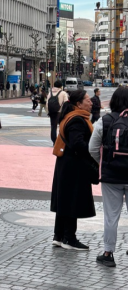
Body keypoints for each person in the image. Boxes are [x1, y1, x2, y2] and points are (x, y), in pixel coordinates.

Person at [51, 89, 96, 251]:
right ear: (79, 104)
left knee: (64, 199)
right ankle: (69, 238)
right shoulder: (77, 119)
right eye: (87, 100)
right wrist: (93, 152)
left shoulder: (70, 116)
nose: (91, 102)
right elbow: (78, 143)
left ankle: (59, 236)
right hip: (74, 166)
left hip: (66, 164)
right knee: (72, 200)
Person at [89, 87, 128, 267]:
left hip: (111, 176)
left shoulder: (104, 121)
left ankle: (108, 253)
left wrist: (103, 163)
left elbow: (92, 148)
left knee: (111, 216)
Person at [47, 80, 68, 145]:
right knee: (62, 126)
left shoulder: (50, 93)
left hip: (52, 112)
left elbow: (47, 103)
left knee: (53, 127)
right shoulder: (63, 93)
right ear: (61, 86)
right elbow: (66, 103)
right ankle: (61, 141)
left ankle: (54, 141)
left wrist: (49, 111)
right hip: (60, 112)